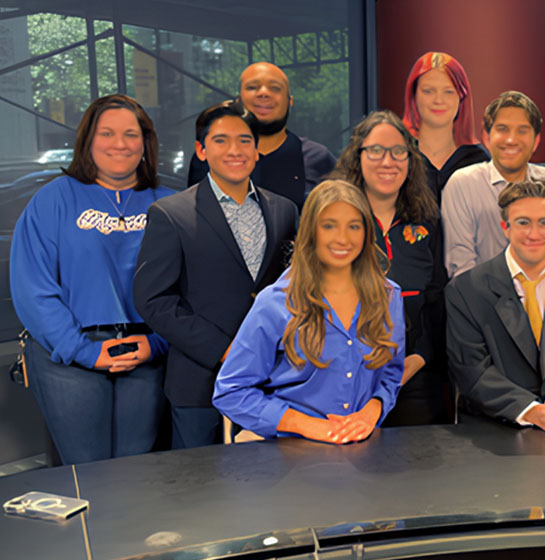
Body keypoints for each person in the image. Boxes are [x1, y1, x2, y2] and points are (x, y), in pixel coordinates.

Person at [10, 94, 172, 464]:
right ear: (87, 140)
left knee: (138, 469)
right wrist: (83, 350)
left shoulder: (171, 204)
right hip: (69, 355)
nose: (119, 144)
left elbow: (190, 289)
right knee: (87, 470)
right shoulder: (52, 200)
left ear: (146, 143)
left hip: (145, 350)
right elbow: (33, 289)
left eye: (131, 134)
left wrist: (157, 343)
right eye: (107, 133)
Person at [134, 101, 298, 449]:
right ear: (202, 150)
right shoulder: (171, 214)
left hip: (273, 378)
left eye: (244, 141)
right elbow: (154, 300)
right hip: (199, 381)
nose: (234, 150)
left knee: (271, 486)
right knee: (201, 490)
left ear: (257, 151)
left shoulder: (285, 210)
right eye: (221, 140)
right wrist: (226, 350)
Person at [213, 180, 405, 442]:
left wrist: (372, 411)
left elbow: (390, 375)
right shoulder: (275, 303)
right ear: (310, 232)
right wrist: (304, 425)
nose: (343, 238)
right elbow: (230, 391)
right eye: (329, 226)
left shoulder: (388, 296)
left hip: (361, 448)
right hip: (288, 452)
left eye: (354, 226)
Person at [446, 180, 545, 435]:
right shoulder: (466, 290)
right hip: (493, 431)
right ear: (505, 228)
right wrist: (534, 412)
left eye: (544, 223)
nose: (534, 234)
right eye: (523, 222)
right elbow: (472, 371)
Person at [333, 110, 449, 425]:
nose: (388, 162)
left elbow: (438, 293)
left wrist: (417, 359)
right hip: (350, 375)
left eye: (399, 152)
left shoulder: (427, 218)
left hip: (418, 374)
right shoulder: (337, 221)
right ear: (357, 156)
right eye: (376, 151)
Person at [442, 90, 545, 278]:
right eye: (502, 129)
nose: (511, 140)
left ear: (536, 141)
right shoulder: (462, 184)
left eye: (522, 131)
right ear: (486, 137)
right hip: (479, 301)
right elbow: (461, 266)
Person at [187, 62, 336, 209]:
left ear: (290, 101)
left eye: (275, 88)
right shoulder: (210, 156)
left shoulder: (317, 158)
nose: (263, 93)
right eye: (252, 87)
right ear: (238, 100)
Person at [402, 51, 490, 201]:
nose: (438, 100)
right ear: (414, 95)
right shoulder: (397, 156)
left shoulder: (480, 161)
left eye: (448, 92)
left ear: (461, 97)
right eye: (428, 91)